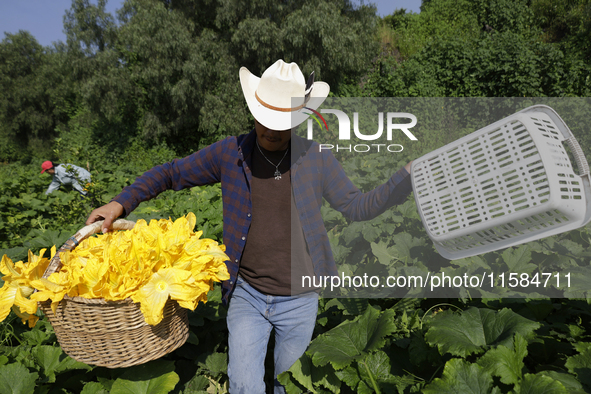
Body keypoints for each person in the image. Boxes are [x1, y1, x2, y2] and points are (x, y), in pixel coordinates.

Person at [86, 59, 413, 393]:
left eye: (281, 124)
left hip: (300, 298)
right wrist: (119, 202)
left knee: (289, 385)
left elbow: (357, 206)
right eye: (265, 120)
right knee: (244, 386)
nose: (270, 130)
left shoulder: (316, 157)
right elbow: (172, 172)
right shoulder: (232, 152)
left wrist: (404, 178)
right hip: (247, 294)